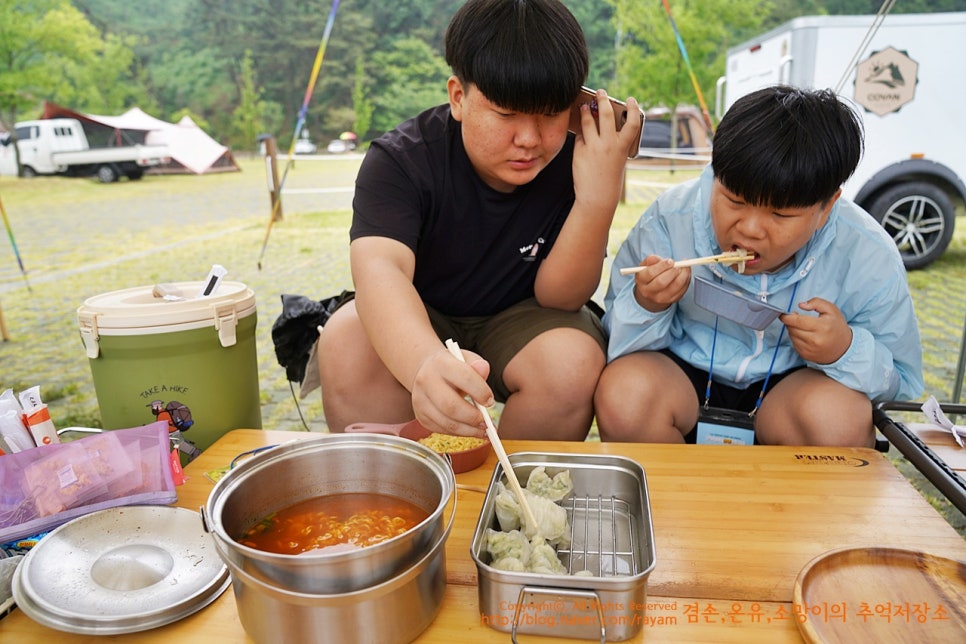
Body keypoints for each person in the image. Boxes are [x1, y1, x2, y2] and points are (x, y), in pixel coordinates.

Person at [317, 0, 641, 440]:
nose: (528, 139)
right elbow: (380, 269)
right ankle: (404, 489)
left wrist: (597, 199)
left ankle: (512, 497)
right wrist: (424, 363)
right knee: (346, 340)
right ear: (458, 97)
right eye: (506, 114)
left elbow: (561, 297)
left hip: (525, 318)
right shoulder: (401, 159)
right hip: (424, 313)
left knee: (574, 361)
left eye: (549, 115)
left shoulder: (581, 160)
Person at [594, 85, 924, 447]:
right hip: (682, 384)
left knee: (840, 418)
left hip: (793, 393)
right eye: (734, 201)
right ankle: (670, 502)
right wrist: (648, 304)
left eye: (780, 214)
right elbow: (615, 342)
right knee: (624, 393)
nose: (749, 229)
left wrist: (844, 350)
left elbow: (901, 384)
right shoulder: (671, 218)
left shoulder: (866, 253)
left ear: (825, 207)